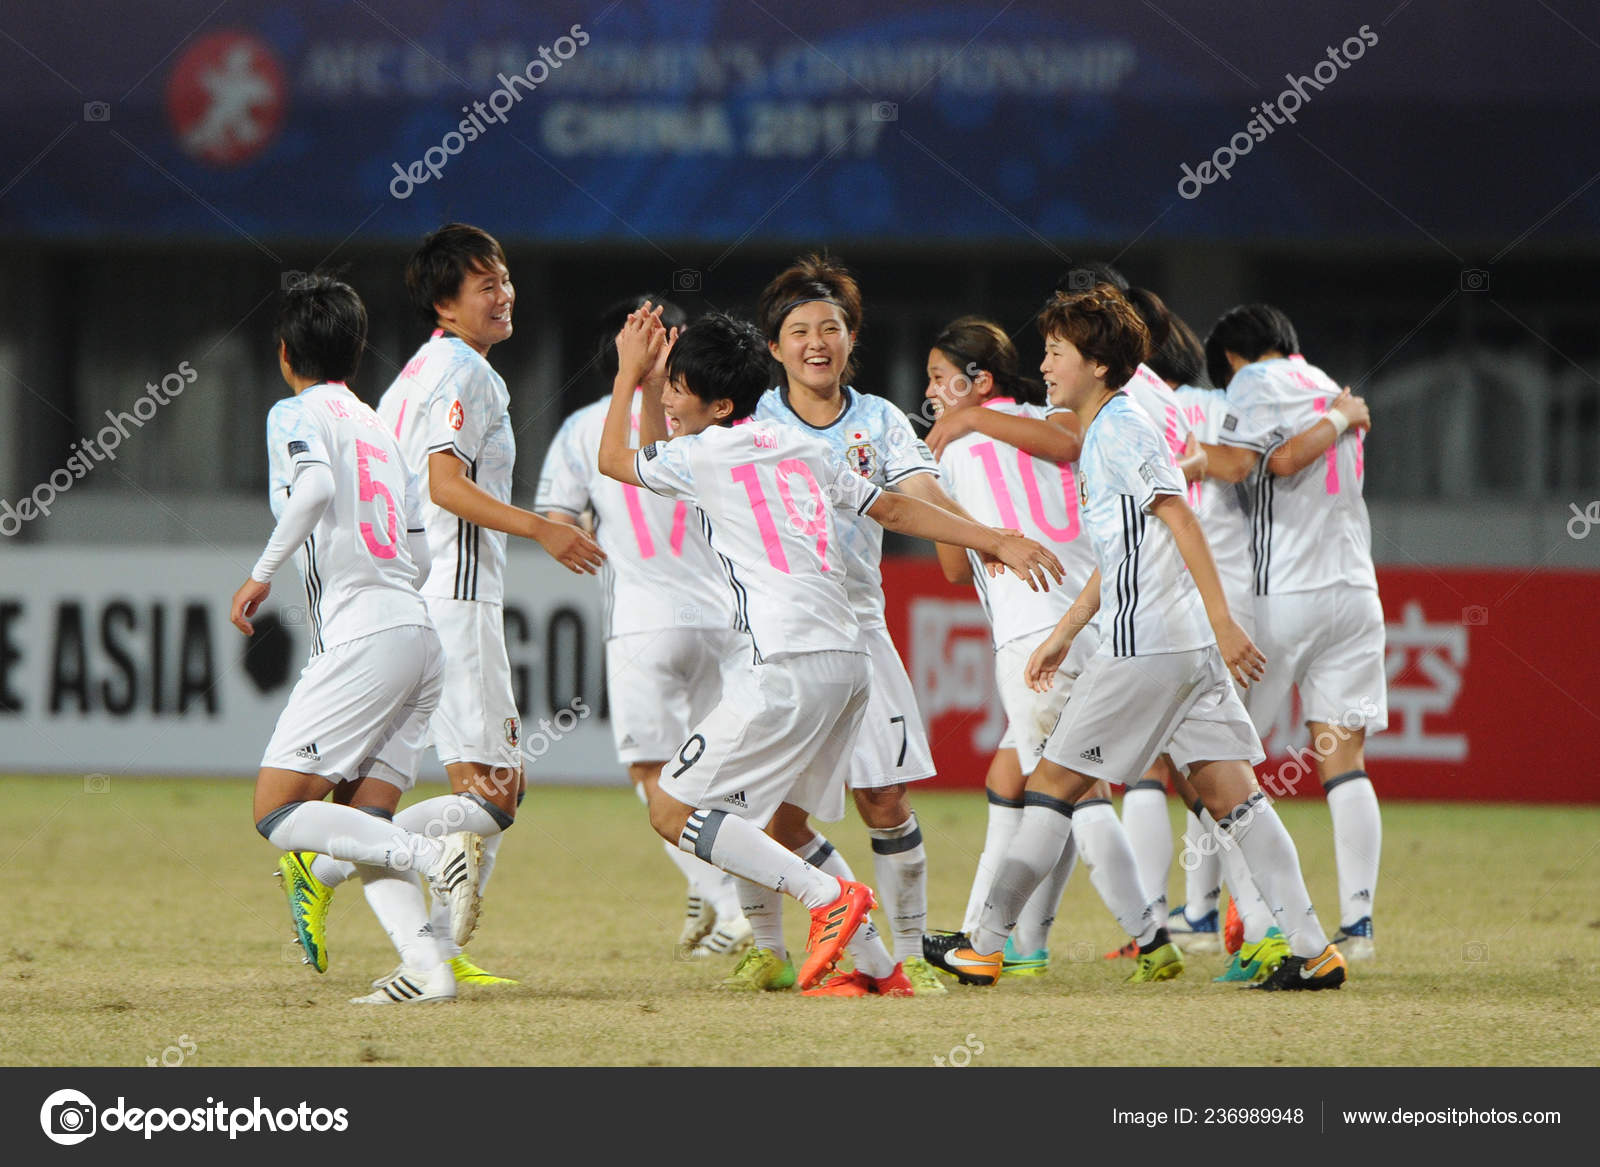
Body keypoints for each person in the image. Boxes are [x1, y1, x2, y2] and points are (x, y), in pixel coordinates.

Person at [596, 305, 1063, 992]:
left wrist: (629, 371)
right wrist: (995, 538)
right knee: (779, 822)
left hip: (783, 666)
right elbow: (897, 509)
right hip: (848, 665)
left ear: (718, 402)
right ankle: (880, 966)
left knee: (673, 809)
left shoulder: (702, 455)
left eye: (677, 388)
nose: (666, 398)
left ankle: (828, 899)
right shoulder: (805, 448)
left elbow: (615, 461)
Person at [923, 283, 1348, 992]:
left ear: (1094, 364)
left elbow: (1180, 518)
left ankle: (984, 943)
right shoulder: (1108, 429)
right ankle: (1312, 948)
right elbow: (1129, 551)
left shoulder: (1118, 430)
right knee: (1236, 797)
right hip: (1181, 649)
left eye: (1056, 352)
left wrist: (1225, 621)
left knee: (1052, 785)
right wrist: (1064, 632)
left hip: (1147, 647)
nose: (1046, 365)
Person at [284, 224, 606, 989]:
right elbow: (443, 486)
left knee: (488, 787)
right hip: (452, 599)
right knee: (492, 798)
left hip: (408, 598)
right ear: (445, 303)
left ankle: (432, 949)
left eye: (505, 277)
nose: (504, 294)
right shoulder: (464, 372)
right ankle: (324, 859)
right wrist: (543, 527)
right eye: (484, 283)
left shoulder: (418, 373)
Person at [237, 274, 481, 1005]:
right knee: (358, 821)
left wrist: (260, 574)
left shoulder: (295, 411)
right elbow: (424, 549)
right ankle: (427, 968)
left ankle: (432, 852)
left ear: (286, 354)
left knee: (277, 812)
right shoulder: (378, 426)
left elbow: (311, 491)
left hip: (363, 635)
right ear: (355, 350)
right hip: (417, 632)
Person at [919, 317, 1172, 984]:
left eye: (940, 378)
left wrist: (946, 468)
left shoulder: (952, 441)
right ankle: (1021, 940)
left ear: (980, 382)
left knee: (1072, 791)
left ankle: (1151, 937)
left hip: (1034, 635)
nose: (931, 392)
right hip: (1096, 617)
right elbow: (1070, 447)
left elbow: (950, 567)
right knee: (1018, 781)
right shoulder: (1054, 415)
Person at [740, 254, 962, 995]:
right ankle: (772, 950)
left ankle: (907, 956)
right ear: (774, 347)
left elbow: (920, 493)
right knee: (768, 810)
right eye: (798, 329)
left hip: (861, 631)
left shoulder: (881, 422)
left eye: (829, 327)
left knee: (885, 798)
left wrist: (981, 536)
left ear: (851, 336)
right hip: (774, 636)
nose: (816, 341)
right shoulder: (752, 424)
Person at [536, 295, 752, 959]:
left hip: (645, 624)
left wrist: (589, 535)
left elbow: (556, 519)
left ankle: (728, 905)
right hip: (725, 619)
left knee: (652, 774)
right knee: (717, 775)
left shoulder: (582, 428)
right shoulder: (715, 420)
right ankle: (717, 890)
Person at [1201, 303, 1384, 962]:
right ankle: (1358, 925)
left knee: (1224, 757)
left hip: (1287, 594)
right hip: (1355, 591)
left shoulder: (1256, 382)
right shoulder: (1330, 382)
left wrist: (1191, 459)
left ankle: (1252, 926)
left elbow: (1263, 463)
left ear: (1236, 358)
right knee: (1344, 759)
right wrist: (1340, 414)